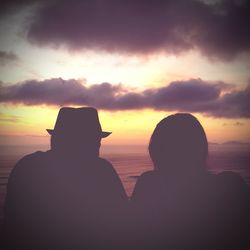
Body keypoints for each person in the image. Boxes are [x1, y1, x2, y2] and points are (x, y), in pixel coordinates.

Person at [3, 107, 128, 250]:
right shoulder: (101, 170)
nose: (98, 145)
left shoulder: (27, 166)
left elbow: (12, 224)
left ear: (55, 138)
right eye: (95, 140)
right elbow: (123, 220)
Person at [130, 113, 250, 250]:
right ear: (200, 148)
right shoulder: (230, 186)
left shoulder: (149, 185)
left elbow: (134, 236)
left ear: (156, 151)